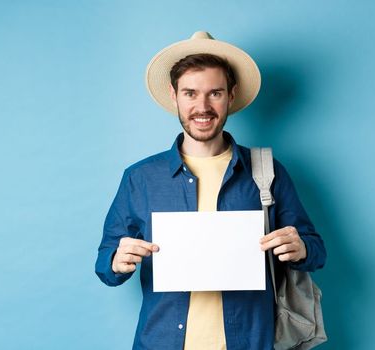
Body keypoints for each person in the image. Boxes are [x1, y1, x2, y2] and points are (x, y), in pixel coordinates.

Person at [94, 31, 326, 350]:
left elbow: (316, 250)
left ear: (231, 96)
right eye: (191, 93)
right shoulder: (141, 178)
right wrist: (117, 261)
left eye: (214, 93)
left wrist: (300, 248)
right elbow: (105, 265)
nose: (202, 106)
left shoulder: (267, 171)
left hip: (249, 342)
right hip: (161, 342)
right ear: (174, 96)